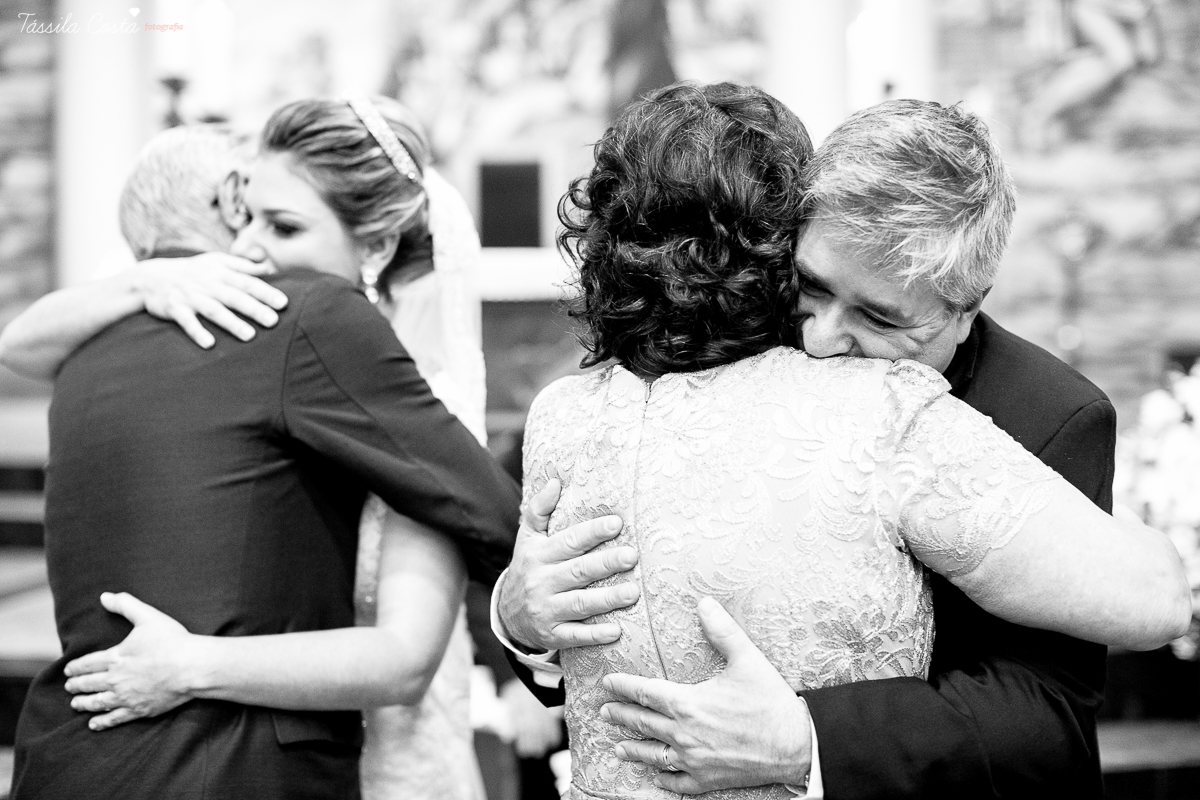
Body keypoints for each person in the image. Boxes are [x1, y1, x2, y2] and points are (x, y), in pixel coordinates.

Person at [491, 83, 1190, 800]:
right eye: (813, 287)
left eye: (880, 318)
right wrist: (521, 620)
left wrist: (809, 742)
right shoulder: (714, 358)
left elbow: (1046, 725)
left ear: (964, 310)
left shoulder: (1052, 415)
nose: (821, 340)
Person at [3, 102, 521, 800]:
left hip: (71, 758)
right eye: (247, 219)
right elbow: (491, 513)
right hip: (233, 767)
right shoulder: (302, 317)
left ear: (376, 246)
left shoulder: (86, 348)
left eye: (281, 225)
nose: (249, 247)